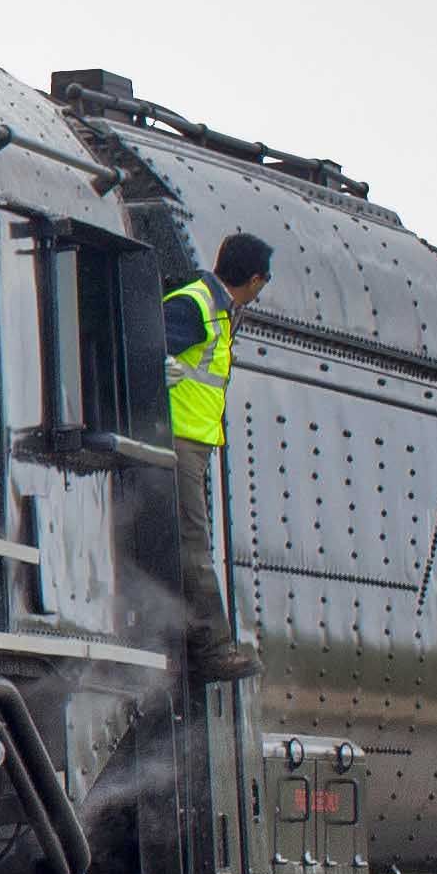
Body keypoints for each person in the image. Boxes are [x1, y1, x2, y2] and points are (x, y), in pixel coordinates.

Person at [161, 234, 272, 682]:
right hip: (177, 439)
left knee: (191, 542)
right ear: (255, 279)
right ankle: (213, 648)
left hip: (193, 441)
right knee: (192, 544)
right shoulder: (196, 305)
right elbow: (147, 343)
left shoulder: (217, 308)